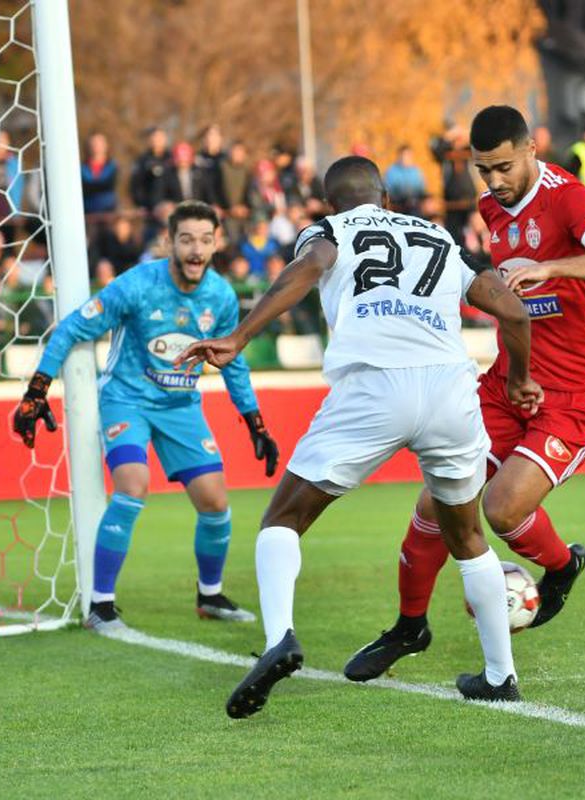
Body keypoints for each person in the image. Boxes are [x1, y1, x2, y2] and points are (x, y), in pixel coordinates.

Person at [176, 156, 542, 712]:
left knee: (283, 519)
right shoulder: (439, 236)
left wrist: (240, 336)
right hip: (450, 390)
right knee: (467, 539)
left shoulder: (328, 231)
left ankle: (279, 641)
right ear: (387, 200)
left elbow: (310, 266)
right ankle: (500, 677)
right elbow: (514, 314)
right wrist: (518, 379)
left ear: (330, 204)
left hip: (373, 388)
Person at [345, 105, 585, 681]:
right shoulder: (489, 207)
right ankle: (409, 627)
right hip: (511, 382)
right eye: (484, 171)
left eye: (504, 166)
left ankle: (560, 568)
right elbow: (512, 307)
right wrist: (516, 374)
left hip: (577, 389)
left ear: (531, 149)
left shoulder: (567, 196)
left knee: (503, 509)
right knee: (436, 501)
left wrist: (551, 267)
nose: (495, 182)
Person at [11, 201, 280, 631]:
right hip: (127, 401)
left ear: (217, 244)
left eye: (205, 240)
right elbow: (72, 328)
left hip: (181, 407)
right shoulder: (136, 284)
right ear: (168, 241)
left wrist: (255, 422)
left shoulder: (221, 297)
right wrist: (36, 390)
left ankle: (210, 595)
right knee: (133, 485)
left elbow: (234, 362)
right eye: (187, 239)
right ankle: (101, 604)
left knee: (215, 502)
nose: (196, 249)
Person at [384, 145, 427, 215]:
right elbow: (388, 191)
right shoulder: (392, 172)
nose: (406, 158)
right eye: (404, 155)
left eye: (409, 155)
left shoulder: (416, 171)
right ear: (399, 156)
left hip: (415, 209)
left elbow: (422, 190)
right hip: (398, 209)